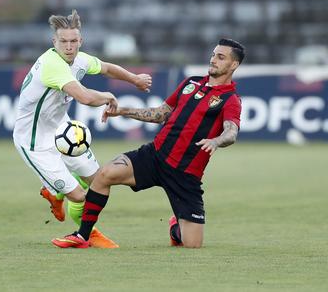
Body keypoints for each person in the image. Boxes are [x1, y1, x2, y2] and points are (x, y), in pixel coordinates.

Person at [52, 38, 245, 249]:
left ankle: (175, 228)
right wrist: (123, 111)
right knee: (104, 175)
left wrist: (216, 141)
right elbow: (160, 114)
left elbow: (231, 132)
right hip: (155, 156)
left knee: (192, 245)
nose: (213, 59)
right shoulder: (191, 83)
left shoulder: (231, 99)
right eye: (214, 54)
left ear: (233, 65)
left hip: (185, 176)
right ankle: (82, 236)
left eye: (221, 57)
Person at [13, 10, 152, 248]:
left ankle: (57, 194)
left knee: (98, 181)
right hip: (34, 141)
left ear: (80, 41)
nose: (69, 47)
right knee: (79, 195)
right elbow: (85, 98)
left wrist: (135, 79)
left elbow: (107, 68)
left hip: (62, 129)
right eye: (63, 42)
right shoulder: (52, 65)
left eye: (73, 41)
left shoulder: (79, 59)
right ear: (53, 42)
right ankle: (87, 233)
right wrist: (107, 95)